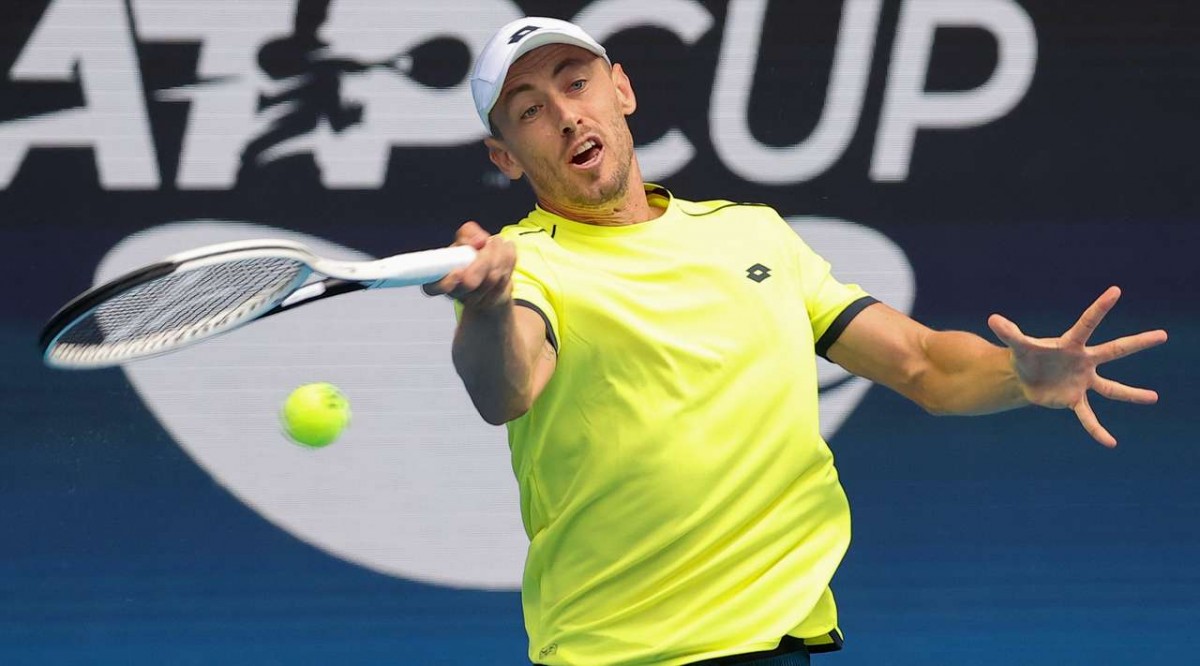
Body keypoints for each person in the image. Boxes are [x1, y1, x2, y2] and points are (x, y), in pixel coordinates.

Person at [423, 16, 1167, 666]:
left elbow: (924, 364)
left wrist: (1018, 375)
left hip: (774, 642)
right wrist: (487, 308)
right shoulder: (526, 266)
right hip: (614, 651)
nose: (566, 115)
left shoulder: (755, 236)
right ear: (505, 156)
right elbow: (506, 389)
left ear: (622, 89)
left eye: (576, 83)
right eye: (530, 110)